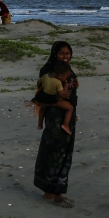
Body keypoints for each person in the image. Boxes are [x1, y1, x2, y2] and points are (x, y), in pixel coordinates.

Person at [33, 41, 79, 208]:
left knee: (64, 153)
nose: (65, 56)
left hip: (67, 116)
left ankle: (54, 192)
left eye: (68, 53)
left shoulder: (69, 71)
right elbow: (40, 97)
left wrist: (74, 113)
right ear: (54, 54)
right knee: (54, 151)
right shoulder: (47, 71)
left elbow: (73, 95)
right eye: (62, 53)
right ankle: (52, 192)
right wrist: (56, 102)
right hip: (54, 117)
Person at [31, 61, 73, 135]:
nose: (66, 79)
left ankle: (40, 124)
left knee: (42, 111)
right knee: (70, 108)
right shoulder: (57, 82)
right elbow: (61, 95)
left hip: (45, 101)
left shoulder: (45, 76)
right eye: (65, 77)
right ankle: (65, 125)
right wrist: (66, 87)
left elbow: (38, 83)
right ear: (60, 76)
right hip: (54, 101)